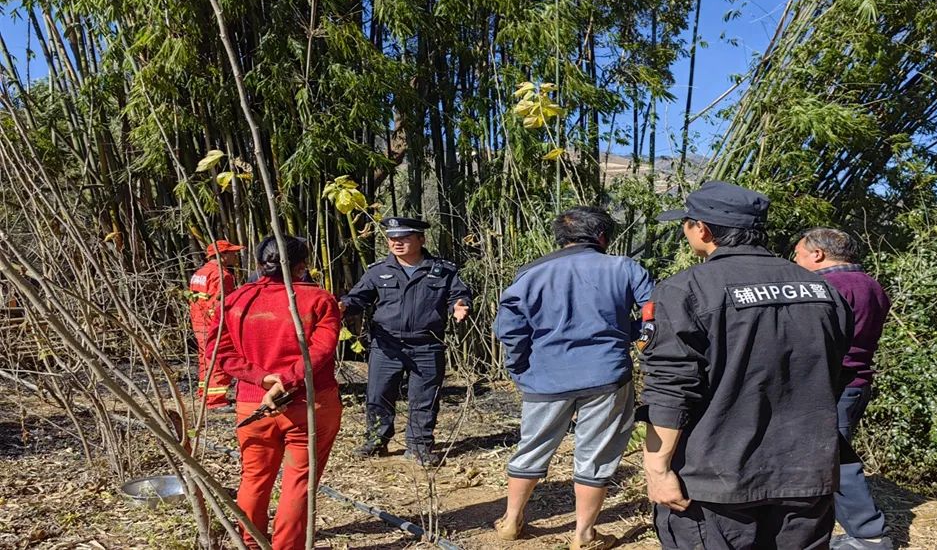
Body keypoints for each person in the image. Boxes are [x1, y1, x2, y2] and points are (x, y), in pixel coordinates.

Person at [639, 181, 854, 550]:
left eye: (686, 223)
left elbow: (671, 389)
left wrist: (656, 469)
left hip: (716, 482)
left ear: (703, 229)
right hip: (807, 473)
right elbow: (834, 371)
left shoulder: (686, 290)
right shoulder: (824, 290)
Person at [493, 206, 654, 550]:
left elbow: (508, 328)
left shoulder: (531, 273)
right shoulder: (624, 267)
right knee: (595, 454)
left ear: (561, 238)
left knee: (532, 447)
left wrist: (519, 368)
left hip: (545, 378)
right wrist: (637, 337)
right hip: (606, 376)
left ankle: (510, 521)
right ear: (602, 237)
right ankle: (583, 536)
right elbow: (652, 312)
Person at [209, 235, 342, 550]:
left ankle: (251, 544)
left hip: (253, 404)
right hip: (310, 404)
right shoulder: (319, 300)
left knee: (254, 478)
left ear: (258, 264)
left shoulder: (235, 300)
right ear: (302, 267)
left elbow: (218, 350)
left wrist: (262, 378)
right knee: (299, 483)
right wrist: (287, 379)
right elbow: (321, 351)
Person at [339, 217, 471, 465]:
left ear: (421, 239)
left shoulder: (443, 270)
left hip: (427, 344)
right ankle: (376, 441)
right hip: (386, 345)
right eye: (392, 239)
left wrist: (460, 306)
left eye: (404, 238)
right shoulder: (378, 271)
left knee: (424, 398)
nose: (397, 243)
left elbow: (459, 294)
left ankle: (419, 446)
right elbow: (358, 298)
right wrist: (343, 307)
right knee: (379, 395)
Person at [794, 228, 892, 550]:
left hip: (833, 383)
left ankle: (869, 535)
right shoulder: (870, 285)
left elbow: (814, 343)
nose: (795, 262)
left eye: (798, 255)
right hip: (857, 382)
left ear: (818, 255)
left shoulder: (827, 287)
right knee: (832, 454)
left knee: (835, 459)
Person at [189, 239, 242, 410]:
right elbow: (219, 306)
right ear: (222, 256)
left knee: (205, 359)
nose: (236, 255)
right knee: (219, 359)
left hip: (199, 322)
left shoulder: (200, 273)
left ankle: (206, 395)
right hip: (212, 325)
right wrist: (224, 327)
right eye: (232, 252)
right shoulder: (222, 275)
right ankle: (216, 400)